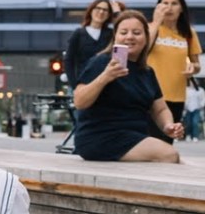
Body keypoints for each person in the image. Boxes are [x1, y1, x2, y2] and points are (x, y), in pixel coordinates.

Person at [72, 9, 185, 163]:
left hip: (135, 137)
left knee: (183, 163)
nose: (129, 37)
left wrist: (168, 126)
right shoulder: (101, 62)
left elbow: (160, 108)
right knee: (168, 155)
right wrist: (105, 77)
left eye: (137, 32)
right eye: (123, 32)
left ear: (146, 37)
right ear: (115, 37)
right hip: (99, 137)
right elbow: (79, 101)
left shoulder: (147, 72)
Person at [146, 0, 200, 126]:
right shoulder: (149, 28)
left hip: (177, 96)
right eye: (165, 3)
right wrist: (156, 22)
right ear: (158, 7)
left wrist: (193, 68)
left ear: (181, 8)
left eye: (174, 3)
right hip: (151, 95)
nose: (169, 8)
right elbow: (143, 50)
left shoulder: (188, 32)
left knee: (167, 140)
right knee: (151, 141)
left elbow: (197, 65)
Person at [63, 0, 117, 88]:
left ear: (109, 15)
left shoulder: (111, 34)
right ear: (91, 11)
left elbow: (123, 26)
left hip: (106, 85)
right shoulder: (78, 34)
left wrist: (117, 13)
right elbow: (69, 61)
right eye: (98, 8)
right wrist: (74, 85)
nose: (101, 12)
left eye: (105, 10)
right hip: (84, 84)